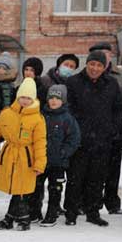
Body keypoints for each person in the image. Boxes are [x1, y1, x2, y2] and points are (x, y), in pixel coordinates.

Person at [0, 77, 47, 231]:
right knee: (15, 189)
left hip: (27, 158)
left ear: (34, 99)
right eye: (22, 97)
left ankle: (15, 218)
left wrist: (39, 163)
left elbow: (40, 143)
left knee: (22, 190)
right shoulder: (6, 114)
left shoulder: (38, 119)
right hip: (9, 156)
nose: (25, 101)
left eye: (28, 98)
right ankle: (15, 218)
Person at [64, 50, 122, 227]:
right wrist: (77, 129)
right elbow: (69, 108)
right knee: (76, 178)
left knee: (97, 178)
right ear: (87, 64)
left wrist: (112, 128)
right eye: (92, 64)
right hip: (79, 140)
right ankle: (71, 212)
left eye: (99, 65)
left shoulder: (111, 84)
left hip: (102, 140)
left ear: (104, 67)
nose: (95, 68)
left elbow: (118, 108)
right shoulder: (73, 82)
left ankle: (93, 212)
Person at [88, 42, 122, 215]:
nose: (104, 57)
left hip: (114, 130)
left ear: (111, 56)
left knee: (113, 169)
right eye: (99, 53)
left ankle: (112, 202)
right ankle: (89, 200)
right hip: (92, 130)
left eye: (107, 53)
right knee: (91, 167)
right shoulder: (88, 74)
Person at [29, 84, 81, 226]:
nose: (53, 101)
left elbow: (74, 139)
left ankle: (52, 214)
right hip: (41, 161)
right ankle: (34, 212)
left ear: (63, 101)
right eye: (51, 98)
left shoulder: (68, 119)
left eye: (57, 98)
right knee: (36, 187)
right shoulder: (40, 116)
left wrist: (64, 152)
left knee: (55, 189)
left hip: (58, 162)